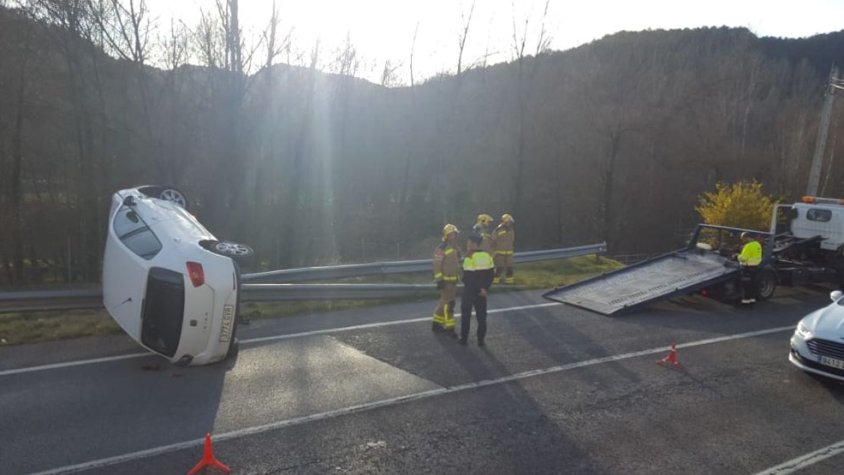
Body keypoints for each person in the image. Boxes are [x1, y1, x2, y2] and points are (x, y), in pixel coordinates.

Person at [458, 233, 495, 346]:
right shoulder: (487, 256)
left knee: (466, 315)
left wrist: (478, 288)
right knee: (481, 316)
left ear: (474, 244)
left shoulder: (470, 256)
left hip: (470, 290)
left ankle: (464, 339)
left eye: (469, 242)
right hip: (483, 292)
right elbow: (491, 275)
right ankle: (481, 340)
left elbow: (467, 277)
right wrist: (484, 289)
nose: (467, 244)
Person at [432, 224, 461, 333]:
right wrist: (439, 280)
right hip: (446, 281)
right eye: (452, 235)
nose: (454, 236)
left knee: (445, 302)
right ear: (446, 236)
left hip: (453, 280)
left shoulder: (455, 247)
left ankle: (436, 322)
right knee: (449, 303)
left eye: (455, 234)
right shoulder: (441, 248)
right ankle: (450, 327)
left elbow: (457, 261)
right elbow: (436, 265)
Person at [737, 231, 762, 304]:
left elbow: (743, 258)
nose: (742, 240)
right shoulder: (757, 244)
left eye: (742, 239)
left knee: (746, 285)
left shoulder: (748, 246)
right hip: (755, 268)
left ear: (746, 237)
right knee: (752, 285)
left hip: (747, 269)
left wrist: (737, 256)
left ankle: (746, 302)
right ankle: (752, 300)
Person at [492, 213, 516, 284]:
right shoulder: (497, 230)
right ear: (505, 222)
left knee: (510, 268)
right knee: (499, 268)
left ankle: (510, 282)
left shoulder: (511, 230)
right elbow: (493, 240)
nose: (510, 224)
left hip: (509, 253)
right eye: (509, 222)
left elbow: (512, 240)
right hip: (499, 253)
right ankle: (495, 282)